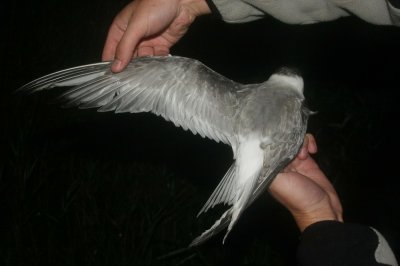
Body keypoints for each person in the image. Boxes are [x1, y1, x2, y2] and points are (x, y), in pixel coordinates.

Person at [101, 1, 399, 264]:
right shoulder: (293, 103)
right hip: (260, 155)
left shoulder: (259, 96)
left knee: (182, 70)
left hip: (258, 152)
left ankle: (234, 208)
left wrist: (318, 215)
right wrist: (320, 214)